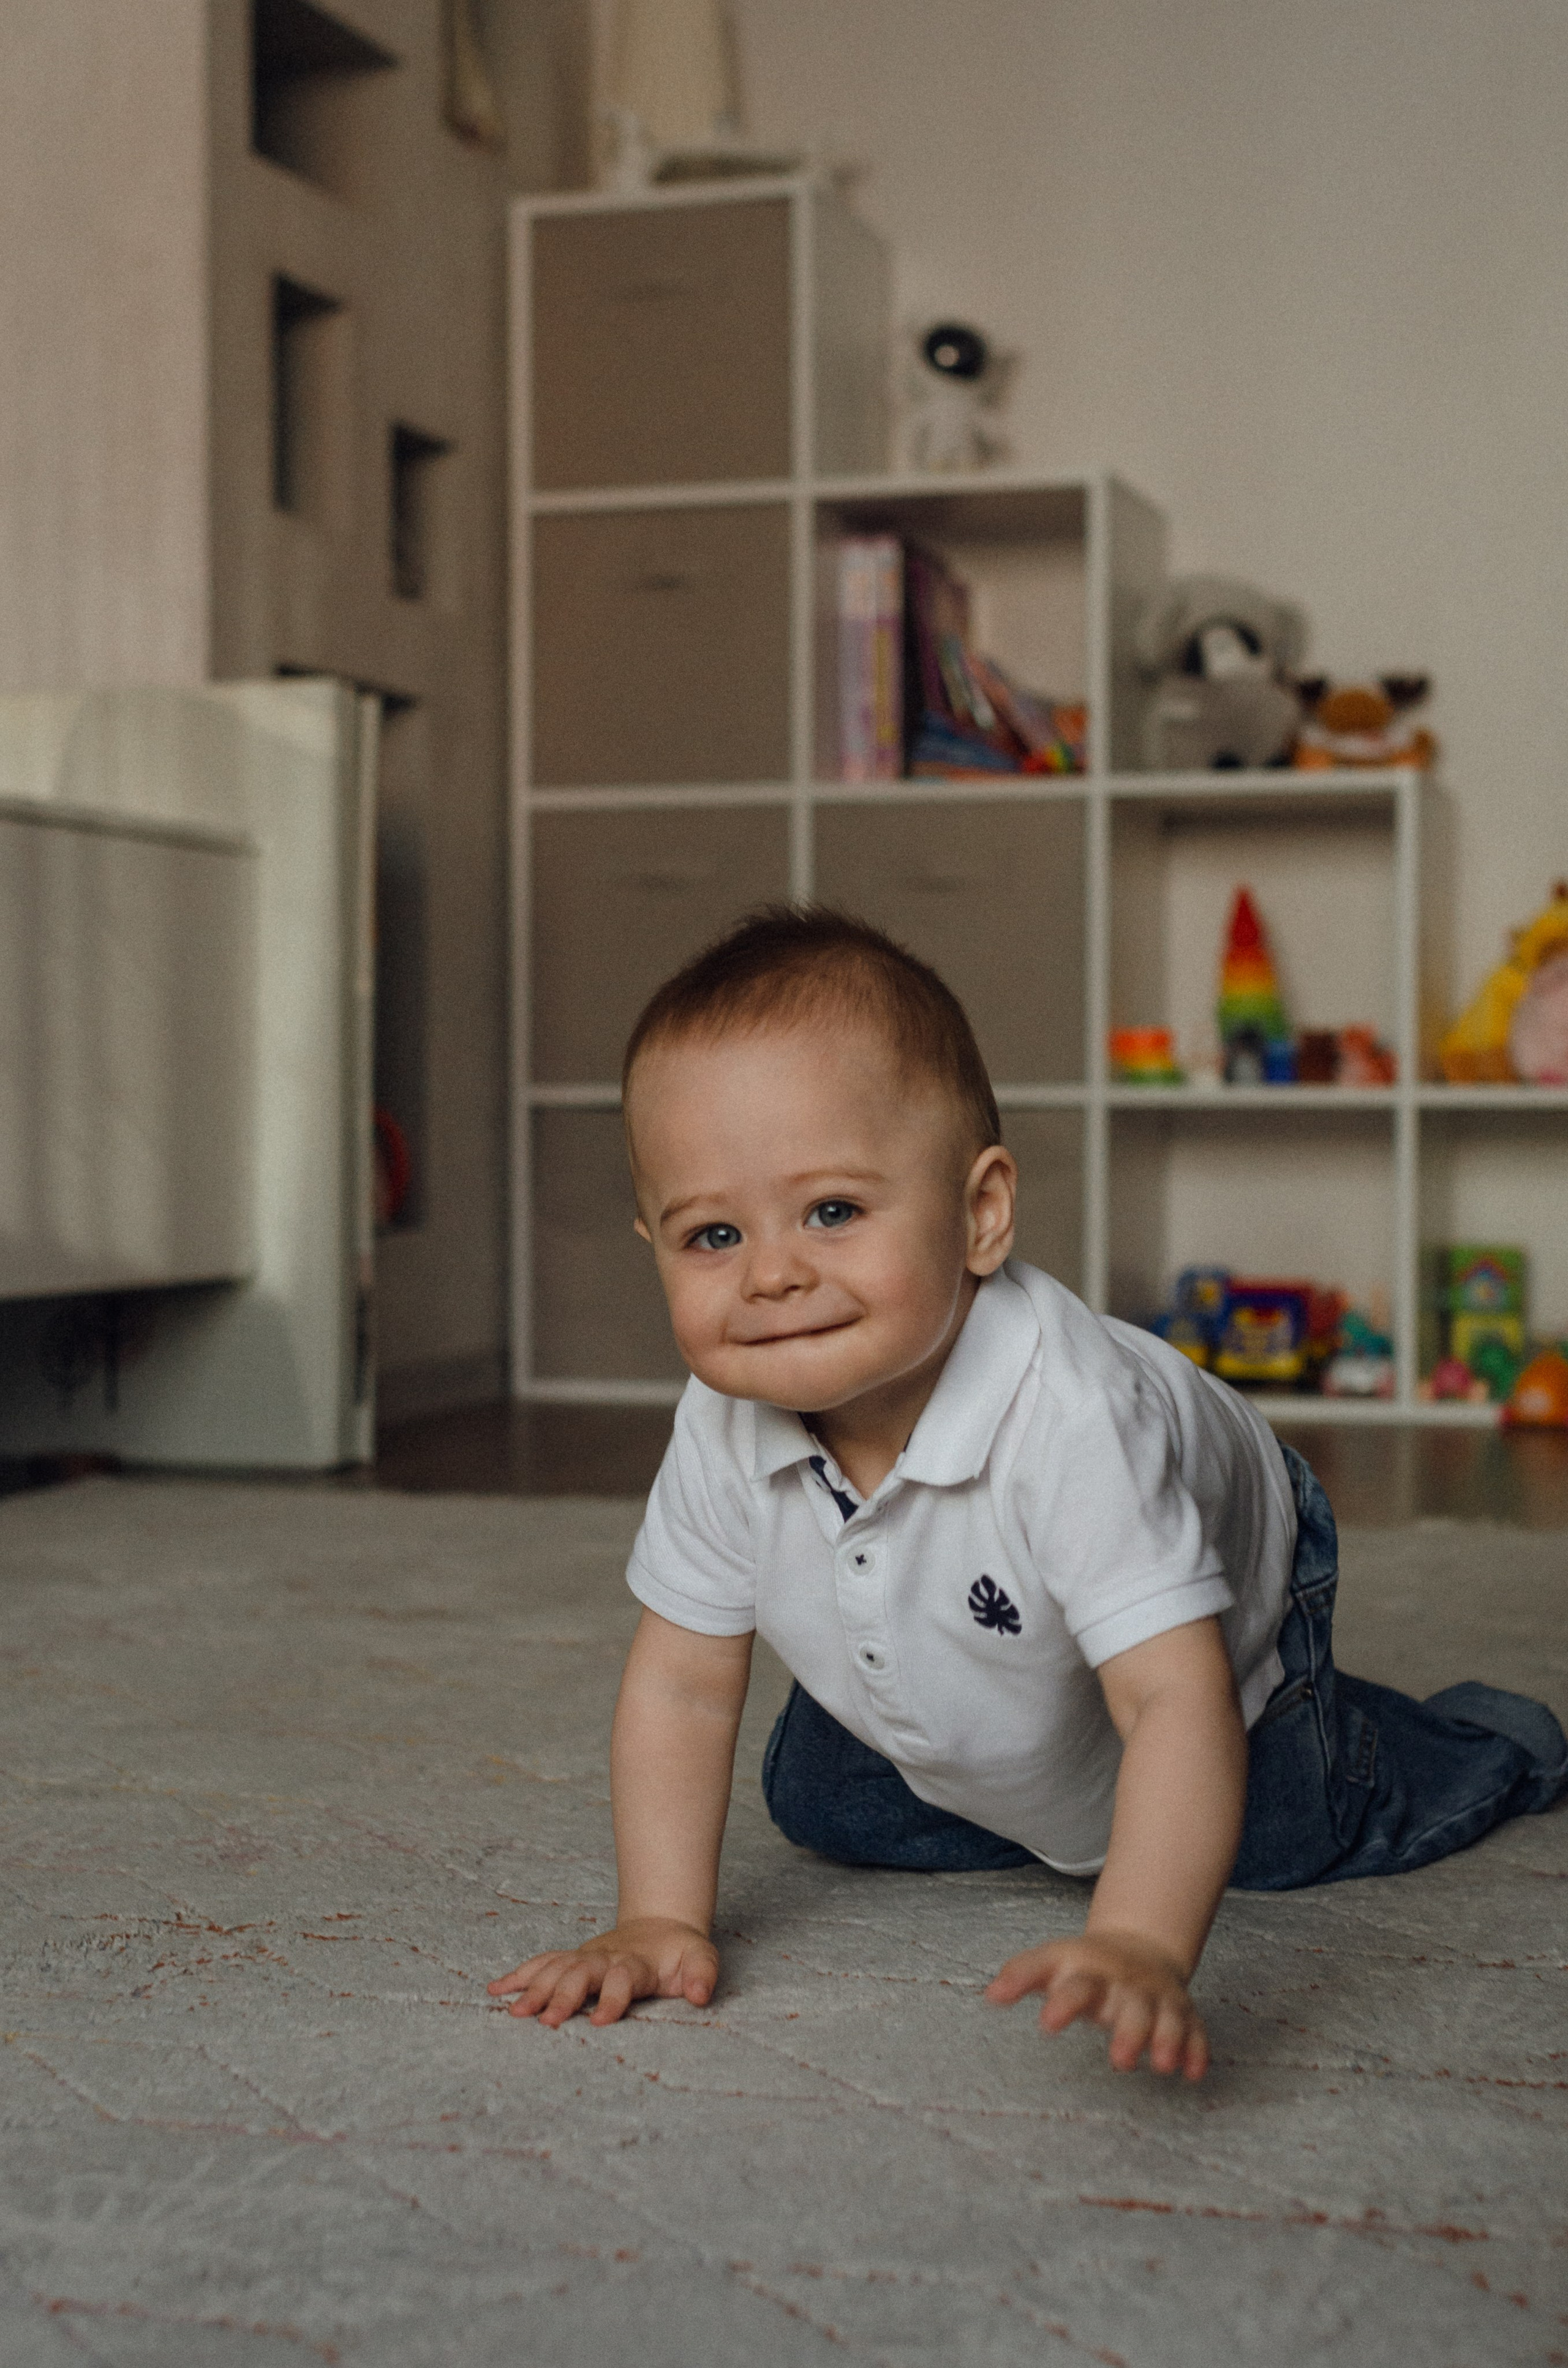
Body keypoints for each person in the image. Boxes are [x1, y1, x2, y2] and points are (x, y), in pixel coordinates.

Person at [490, 908, 1566, 2078]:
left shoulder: (1075, 1419)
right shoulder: (722, 1415)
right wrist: (660, 1917)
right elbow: (688, 1684)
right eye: (710, 1235)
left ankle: (1486, 1738)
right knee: (822, 1805)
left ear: (981, 1213)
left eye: (834, 1210)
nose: (773, 1273)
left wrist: (1141, 1940)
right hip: (978, 1616)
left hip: (1217, 1605)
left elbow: (1169, 1700)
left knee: (1277, 1828)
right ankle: (1007, 1749)